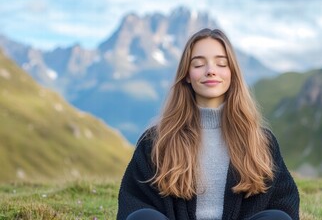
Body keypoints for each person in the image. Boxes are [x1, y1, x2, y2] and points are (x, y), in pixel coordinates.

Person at [117, 28, 300, 220]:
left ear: (232, 73)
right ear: (187, 75)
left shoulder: (261, 141)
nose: (211, 71)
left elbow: (285, 203)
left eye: (221, 63)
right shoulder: (155, 141)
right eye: (198, 65)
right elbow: (132, 204)